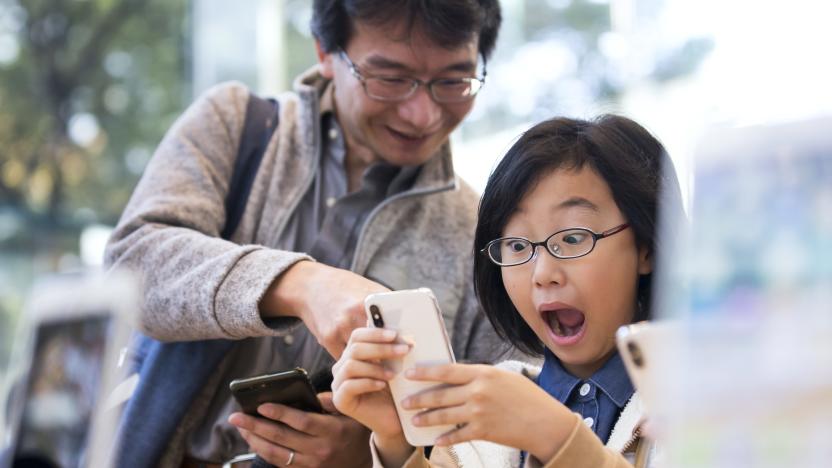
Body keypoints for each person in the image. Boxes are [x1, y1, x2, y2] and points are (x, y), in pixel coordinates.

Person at [103, 1, 512, 467]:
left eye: (453, 81)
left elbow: (491, 442)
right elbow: (129, 269)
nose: (422, 114)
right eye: (391, 79)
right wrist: (301, 285)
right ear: (324, 51)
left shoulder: (479, 235)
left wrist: (375, 454)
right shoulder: (237, 125)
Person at [331, 114, 686, 467]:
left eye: (573, 238)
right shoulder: (482, 409)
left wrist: (555, 434)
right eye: (517, 246)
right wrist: (396, 444)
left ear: (647, 248)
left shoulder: (705, 395)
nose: (543, 274)